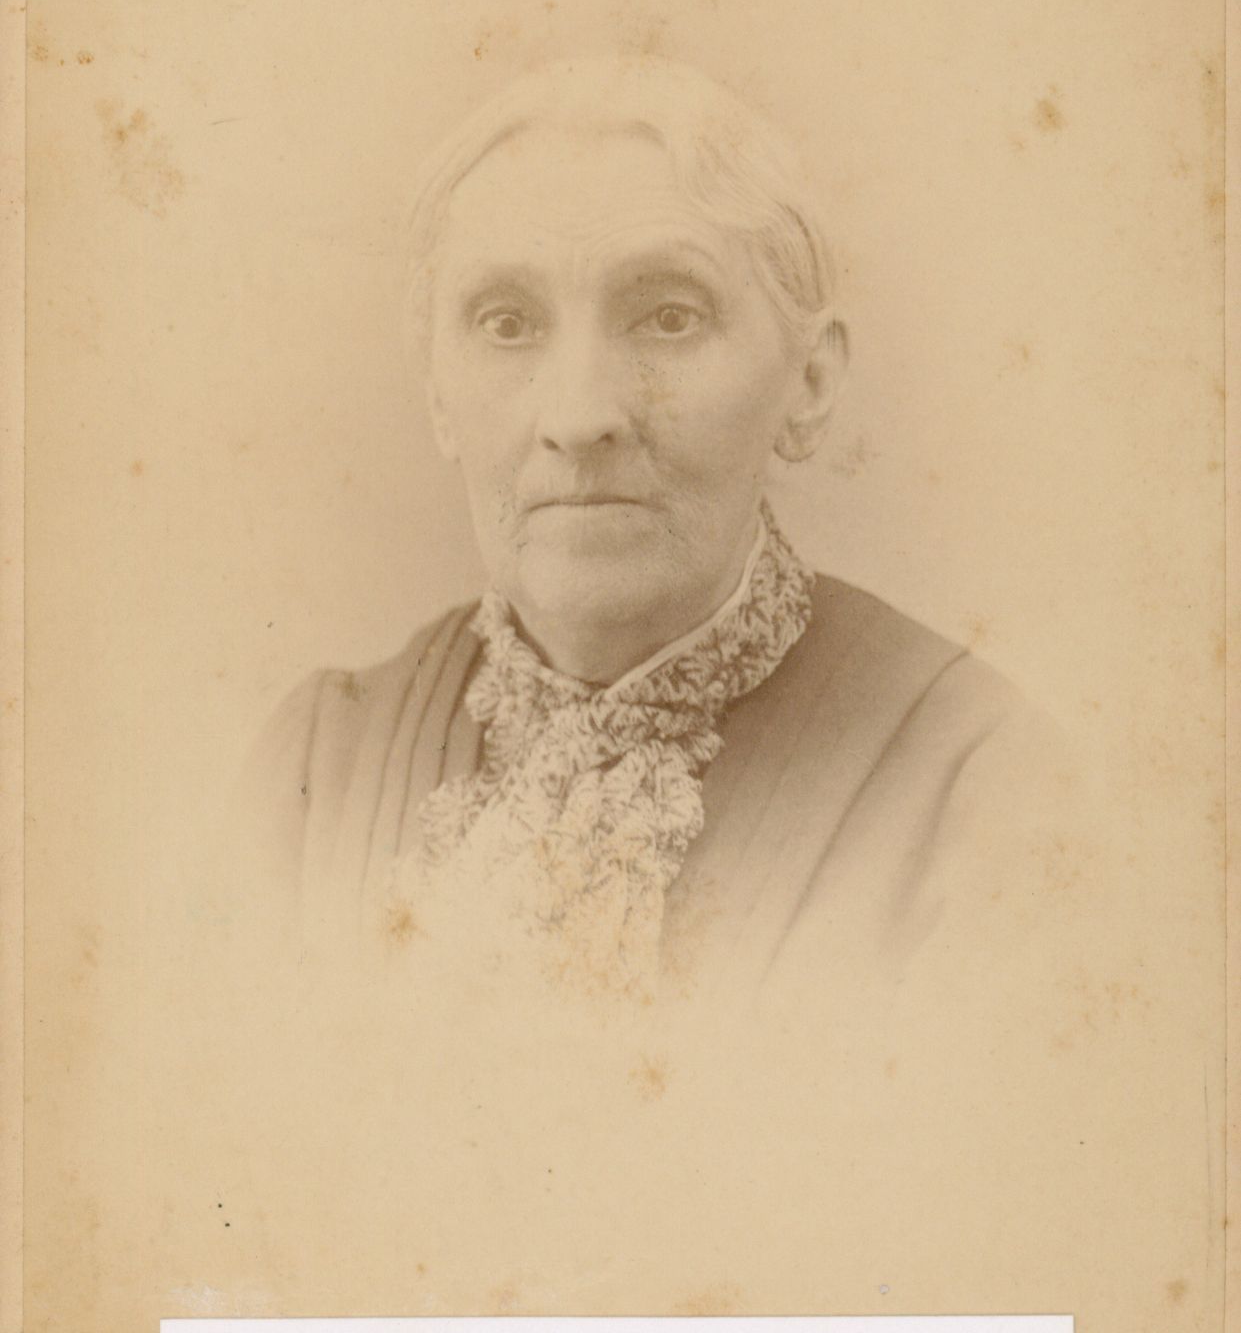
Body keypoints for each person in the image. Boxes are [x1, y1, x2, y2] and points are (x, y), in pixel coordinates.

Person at [239, 56, 1068, 1006]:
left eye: (668, 318)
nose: (578, 416)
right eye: (507, 325)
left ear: (809, 382)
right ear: (436, 391)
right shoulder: (315, 771)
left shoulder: (979, 786)